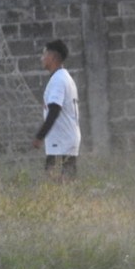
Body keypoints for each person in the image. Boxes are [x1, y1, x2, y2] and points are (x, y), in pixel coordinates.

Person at [32, 39, 80, 181]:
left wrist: (40, 136)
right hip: (67, 139)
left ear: (52, 57)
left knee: (54, 183)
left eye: (44, 54)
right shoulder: (65, 77)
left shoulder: (58, 80)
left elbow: (54, 111)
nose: (42, 58)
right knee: (67, 182)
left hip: (60, 141)